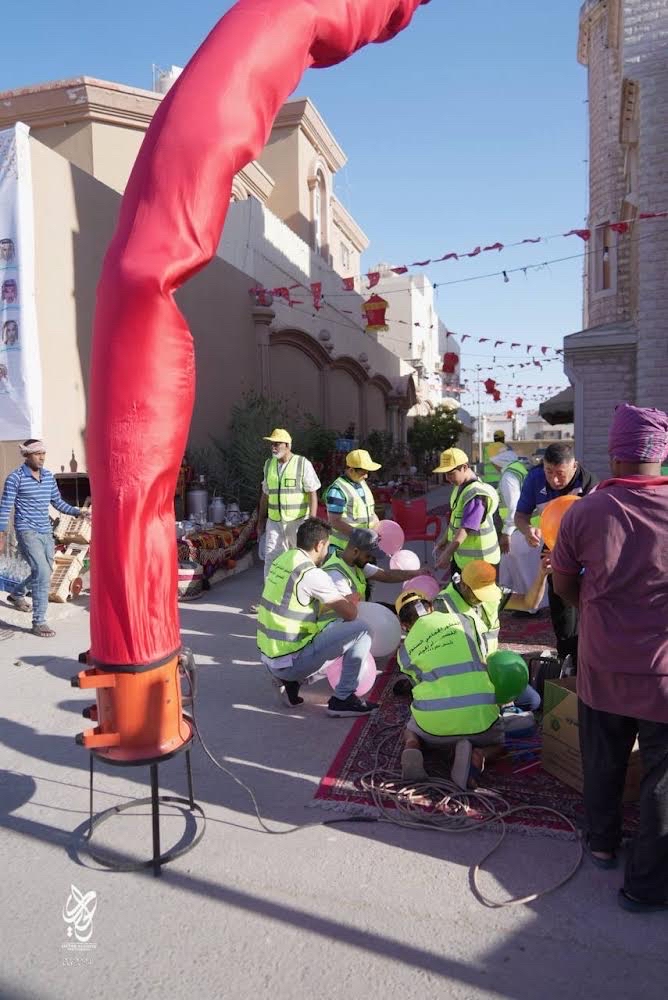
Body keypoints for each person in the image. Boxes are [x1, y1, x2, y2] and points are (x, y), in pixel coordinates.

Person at [552, 403, 668, 913]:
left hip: (602, 663)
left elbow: (563, 586)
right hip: (663, 673)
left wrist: (597, 611)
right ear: (660, 455)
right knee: (662, 779)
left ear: (615, 454)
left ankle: (602, 844)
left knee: (603, 759)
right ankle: (645, 886)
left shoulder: (585, 511)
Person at [257, 517, 378, 717]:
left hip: (271, 657)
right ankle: (343, 699)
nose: (327, 552)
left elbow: (294, 602)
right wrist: (349, 600)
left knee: (332, 630)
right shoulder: (311, 573)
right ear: (319, 545)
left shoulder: (283, 560)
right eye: (327, 546)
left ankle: (291, 683)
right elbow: (351, 614)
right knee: (362, 630)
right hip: (291, 660)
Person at [396, 591, 504, 786]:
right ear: (431, 606)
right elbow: (489, 654)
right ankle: (480, 754)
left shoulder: (404, 651)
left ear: (404, 625)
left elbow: (416, 686)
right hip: (480, 721)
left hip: (434, 729)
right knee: (499, 742)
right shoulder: (466, 619)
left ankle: (413, 745)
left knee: (411, 728)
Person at [514, 441, 597, 667]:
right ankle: (567, 659)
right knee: (562, 611)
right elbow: (520, 516)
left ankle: (590, 656)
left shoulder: (589, 484)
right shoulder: (534, 478)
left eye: (560, 473)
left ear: (574, 466)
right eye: (549, 472)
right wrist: (527, 530)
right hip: (553, 549)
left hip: (586, 553)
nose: (555, 480)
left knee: (590, 609)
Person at [434, 558, 550, 711]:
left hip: (494, 670)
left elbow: (529, 603)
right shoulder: (442, 605)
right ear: (464, 585)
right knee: (482, 712)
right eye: (478, 594)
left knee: (532, 701)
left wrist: (542, 575)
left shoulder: (493, 594)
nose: (482, 599)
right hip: (465, 677)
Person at [0, 440, 88, 637]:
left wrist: (77, 512)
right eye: (37, 454)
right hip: (26, 531)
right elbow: (5, 507)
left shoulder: (48, 477)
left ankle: (17, 593)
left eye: (43, 453)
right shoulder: (15, 477)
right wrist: (1, 533)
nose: (42, 457)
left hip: (46, 532)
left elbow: (57, 502)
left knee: (45, 571)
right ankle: (39, 622)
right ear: (27, 455)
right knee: (41, 571)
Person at [257, 428, 320, 577]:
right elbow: (265, 495)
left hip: (297, 522)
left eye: (277, 444)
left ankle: (301, 589)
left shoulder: (302, 463)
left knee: (300, 560)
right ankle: (270, 591)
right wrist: (260, 521)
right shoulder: (268, 465)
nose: (273, 447)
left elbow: (312, 493)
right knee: (271, 559)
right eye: (272, 444)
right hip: (274, 522)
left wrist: (311, 522)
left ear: (288, 445)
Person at [492, 448, 546, 608]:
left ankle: (531, 607)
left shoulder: (509, 476)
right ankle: (519, 603)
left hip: (519, 531)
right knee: (523, 569)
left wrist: (506, 533)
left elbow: (513, 507)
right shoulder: (520, 469)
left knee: (524, 571)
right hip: (529, 528)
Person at [433, 448, 500, 575]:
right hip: (464, 561)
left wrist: (447, 553)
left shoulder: (476, 494)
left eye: (451, 473)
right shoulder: (460, 487)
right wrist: (445, 539)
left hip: (480, 561)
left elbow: (466, 528)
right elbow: (455, 520)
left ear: (464, 467)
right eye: (445, 474)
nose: (447, 478)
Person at [322, 527, 430, 602]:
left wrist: (417, 573)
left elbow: (386, 575)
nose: (370, 559)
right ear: (355, 551)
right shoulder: (336, 575)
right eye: (368, 555)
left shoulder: (354, 563)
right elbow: (349, 610)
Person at [324, 448, 380, 553]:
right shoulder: (337, 490)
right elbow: (334, 521)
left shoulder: (361, 483)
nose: (366, 476)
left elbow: (370, 511)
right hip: (344, 549)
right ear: (351, 470)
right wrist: (358, 535)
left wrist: (377, 528)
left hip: (363, 547)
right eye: (363, 472)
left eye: (367, 472)